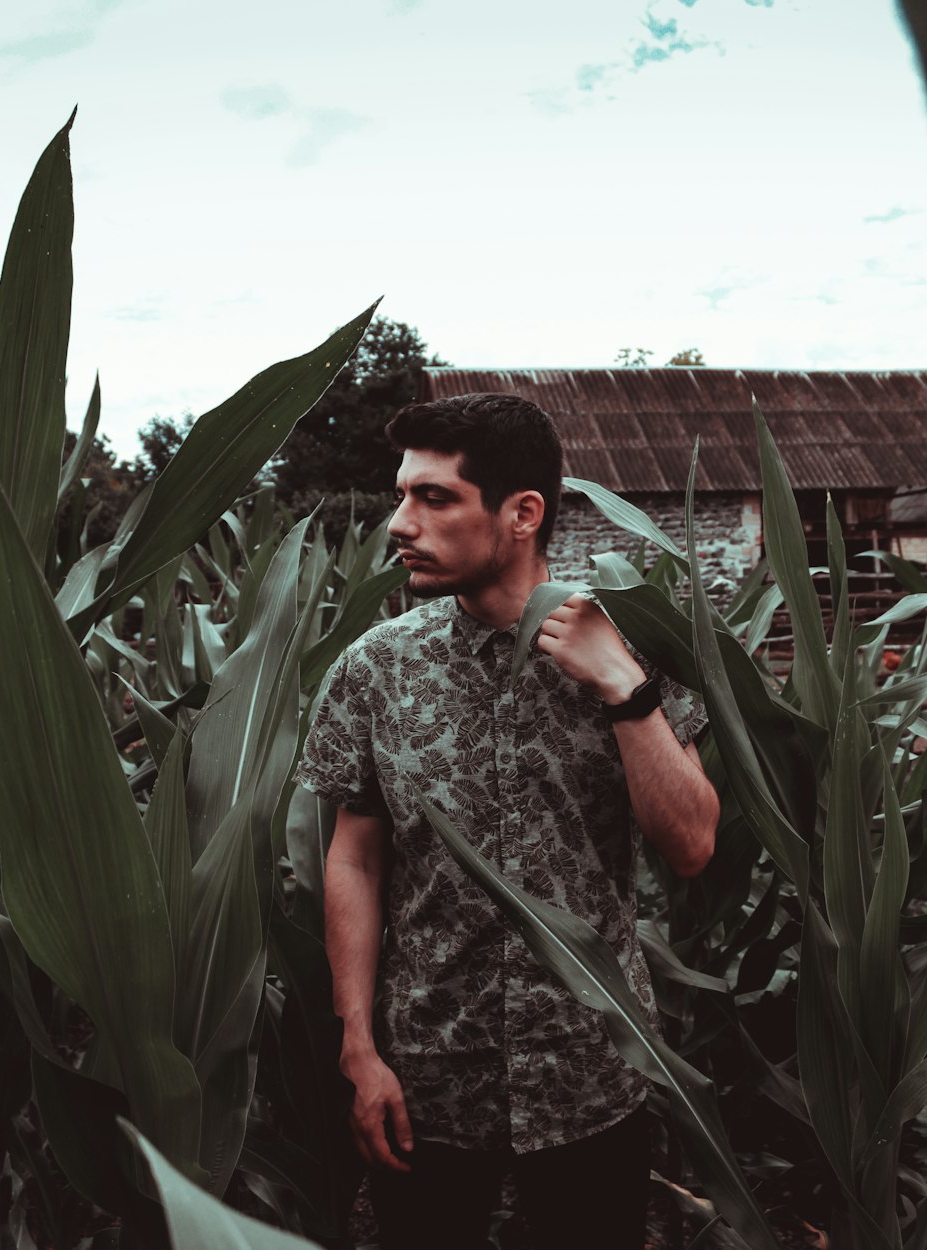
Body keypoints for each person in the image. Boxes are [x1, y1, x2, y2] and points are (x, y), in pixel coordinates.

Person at [295, 392, 719, 1250]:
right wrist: (358, 1047)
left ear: (523, 513)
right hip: (426, 1079)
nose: (398, 524)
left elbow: (692, 848)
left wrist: (623, 693)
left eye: (435, 498)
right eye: (402, 494)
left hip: (593, 1069)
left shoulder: (636, 652)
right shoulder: (377, 668)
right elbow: (355, 860)